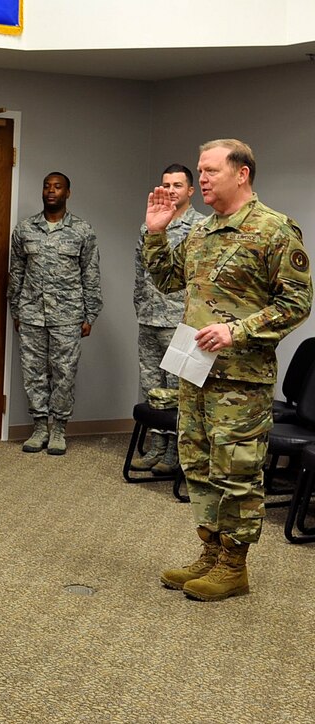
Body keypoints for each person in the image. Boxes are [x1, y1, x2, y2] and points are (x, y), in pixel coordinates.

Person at [144, 139, 311, 601]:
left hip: (241, 378)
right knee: (197, 464)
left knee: (235, 468)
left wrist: (238, 330)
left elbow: (297, 303)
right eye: (200, 171)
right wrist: (157, 232)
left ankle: (234, 565)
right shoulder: (200, 231)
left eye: (211, 171)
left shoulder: (274, 230)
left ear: (242, 174)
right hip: (195, 372)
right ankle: (211, 551)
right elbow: (167, 281)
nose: (202, 180)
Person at [8, 172, 102, 455]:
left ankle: (58, 429)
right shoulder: (25, 229)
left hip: (69, 315)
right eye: (47, 186)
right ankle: (39, 427)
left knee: (64, 372)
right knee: (33, 372)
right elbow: (16, 273)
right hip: (32, 313)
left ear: (67, 193)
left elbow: (91, 274)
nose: (51, 191)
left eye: (57, 187)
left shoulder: (83, 231)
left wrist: (90, 315)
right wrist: (16, 309)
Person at [131, 164, 204, 474]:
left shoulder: (201, 227)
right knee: (151, 387)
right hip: (149, 318)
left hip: (180, 322)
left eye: (177, 185)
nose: (171, 190)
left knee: (178, 390)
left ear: (190, 190)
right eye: (166, 184)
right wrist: (139, 307)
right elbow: (140, 272)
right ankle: (157, 447)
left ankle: (176, 452)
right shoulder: (150, 226)